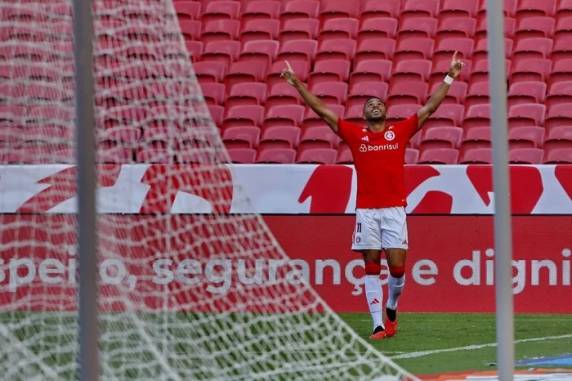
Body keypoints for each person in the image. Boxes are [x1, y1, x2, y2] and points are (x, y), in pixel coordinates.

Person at [281, 52, 465, 340]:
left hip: (394, 209)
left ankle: (392, 306)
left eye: (379, 103)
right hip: (366, 211)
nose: (375, 106)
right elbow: (323, 111)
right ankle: (378, 324)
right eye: (370, 104)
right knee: (370, 265)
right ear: (364, 114)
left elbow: (429, 107)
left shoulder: (399, 132)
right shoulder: (356, 135)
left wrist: (450, 75)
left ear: (386, 111)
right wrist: (296, 84)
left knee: (398, 269)